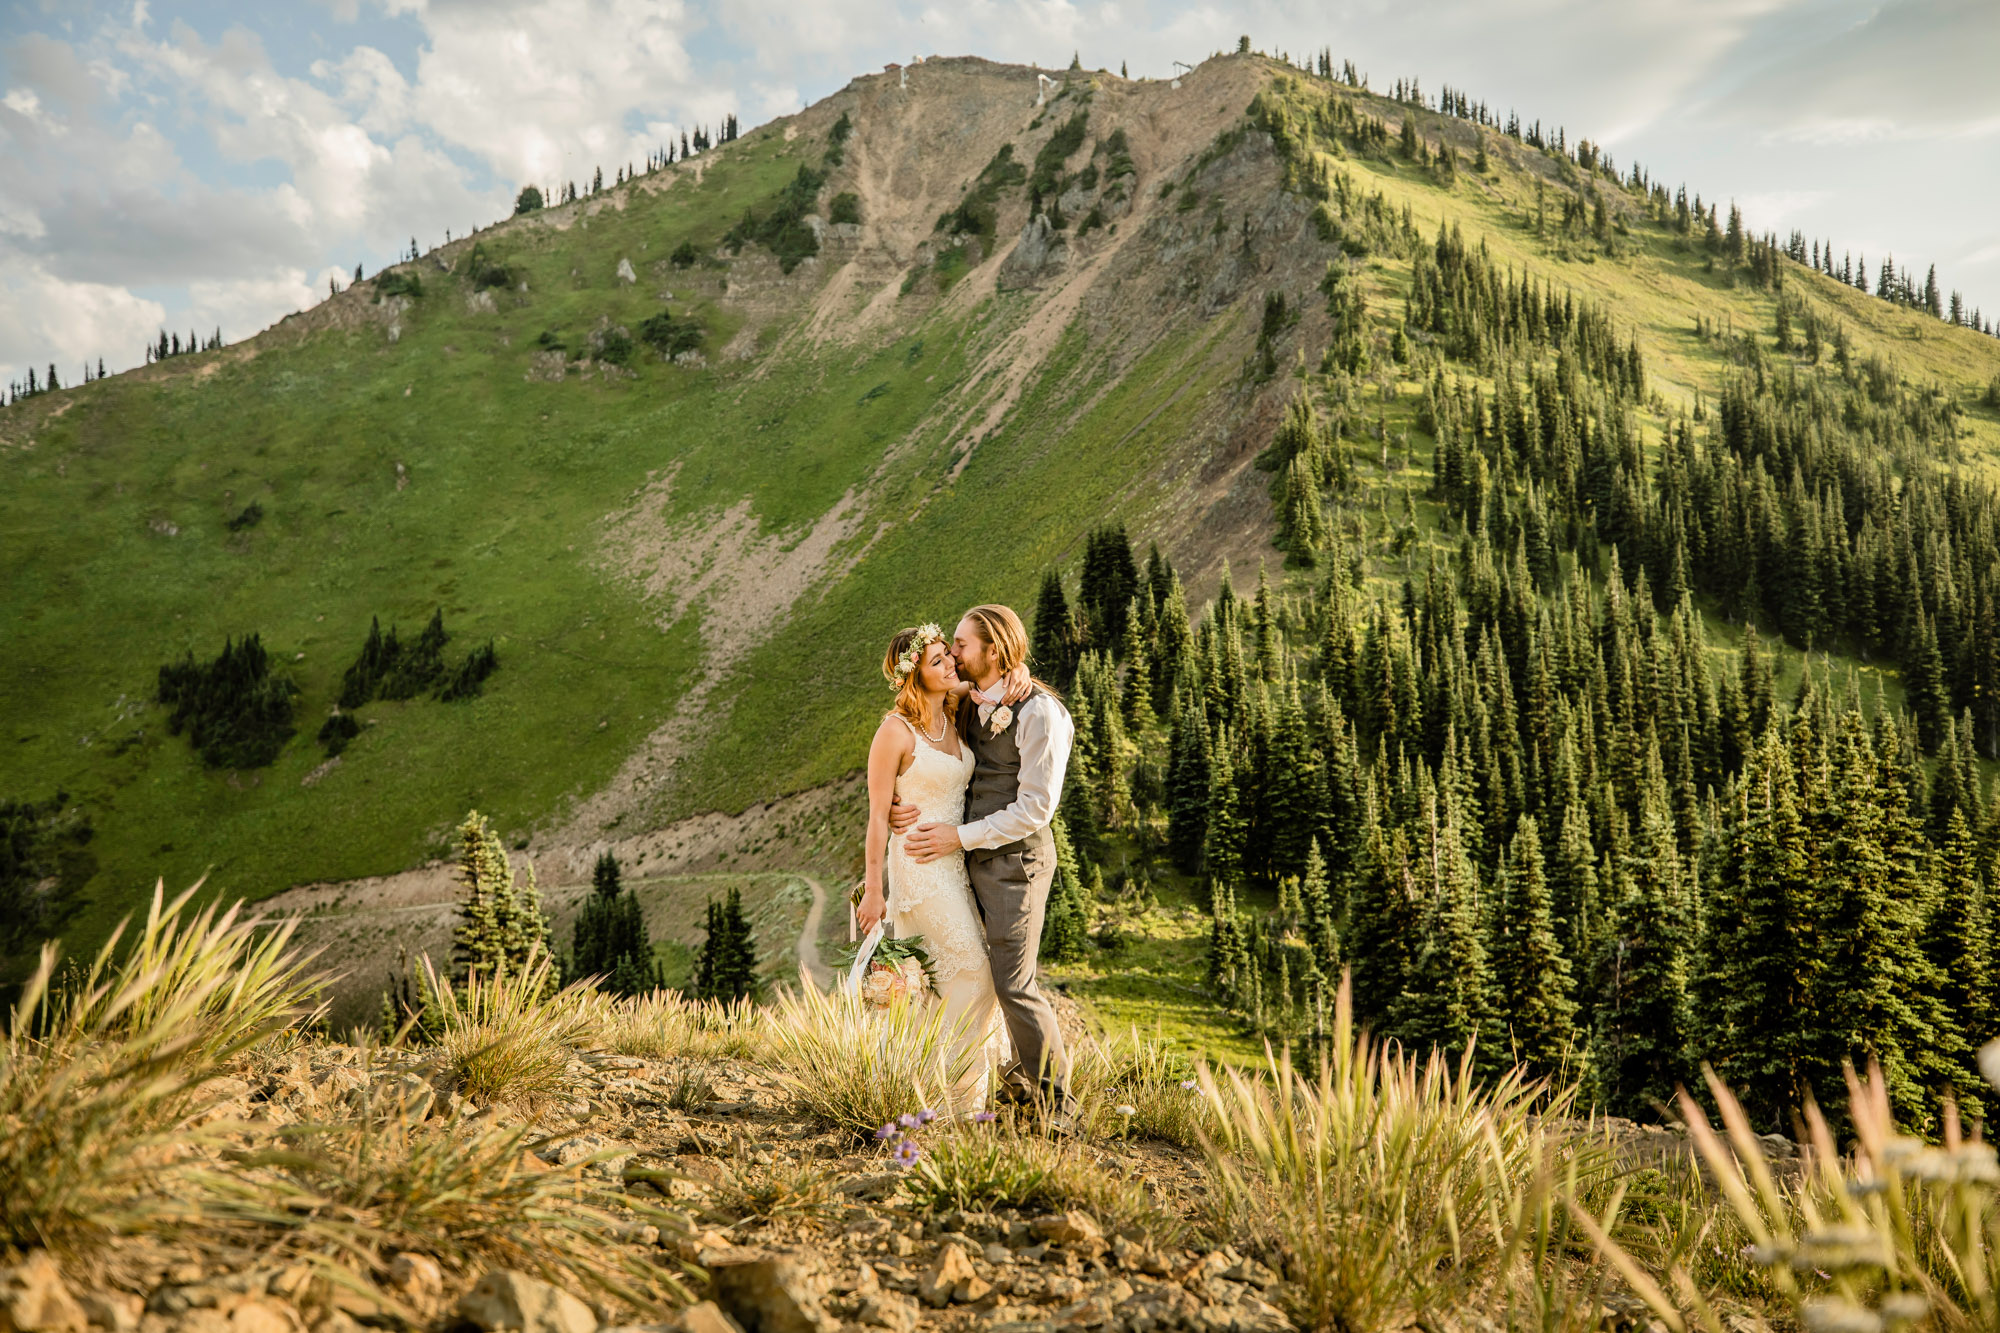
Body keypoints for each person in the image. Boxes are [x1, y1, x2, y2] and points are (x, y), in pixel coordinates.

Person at [892, 604, 1076, 1125]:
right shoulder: (969, 699)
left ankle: (1059, 1112)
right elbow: (913, 719)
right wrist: (890, 802)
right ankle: (1013, 1089)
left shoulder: (1041, 713)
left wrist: (958, 837)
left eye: (962, 645)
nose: (953, 653)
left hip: (1017, 863)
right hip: (966, 863)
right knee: (984, 975)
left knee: (1014, 982)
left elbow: (1037, 808)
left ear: (993, 651)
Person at [856, 623, 1009, 1112]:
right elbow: (878, 818)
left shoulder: (954, 706)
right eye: (937, 661)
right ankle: (938, 1081)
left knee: (941, 985)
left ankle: (941, 1099)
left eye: (949, 655)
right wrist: (874, 892)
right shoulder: (894, 732)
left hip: (956, 865)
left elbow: (1001, 679)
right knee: (975, 972)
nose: (950, 665)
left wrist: (1017, 671)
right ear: (913, 676)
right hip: (918, 867)